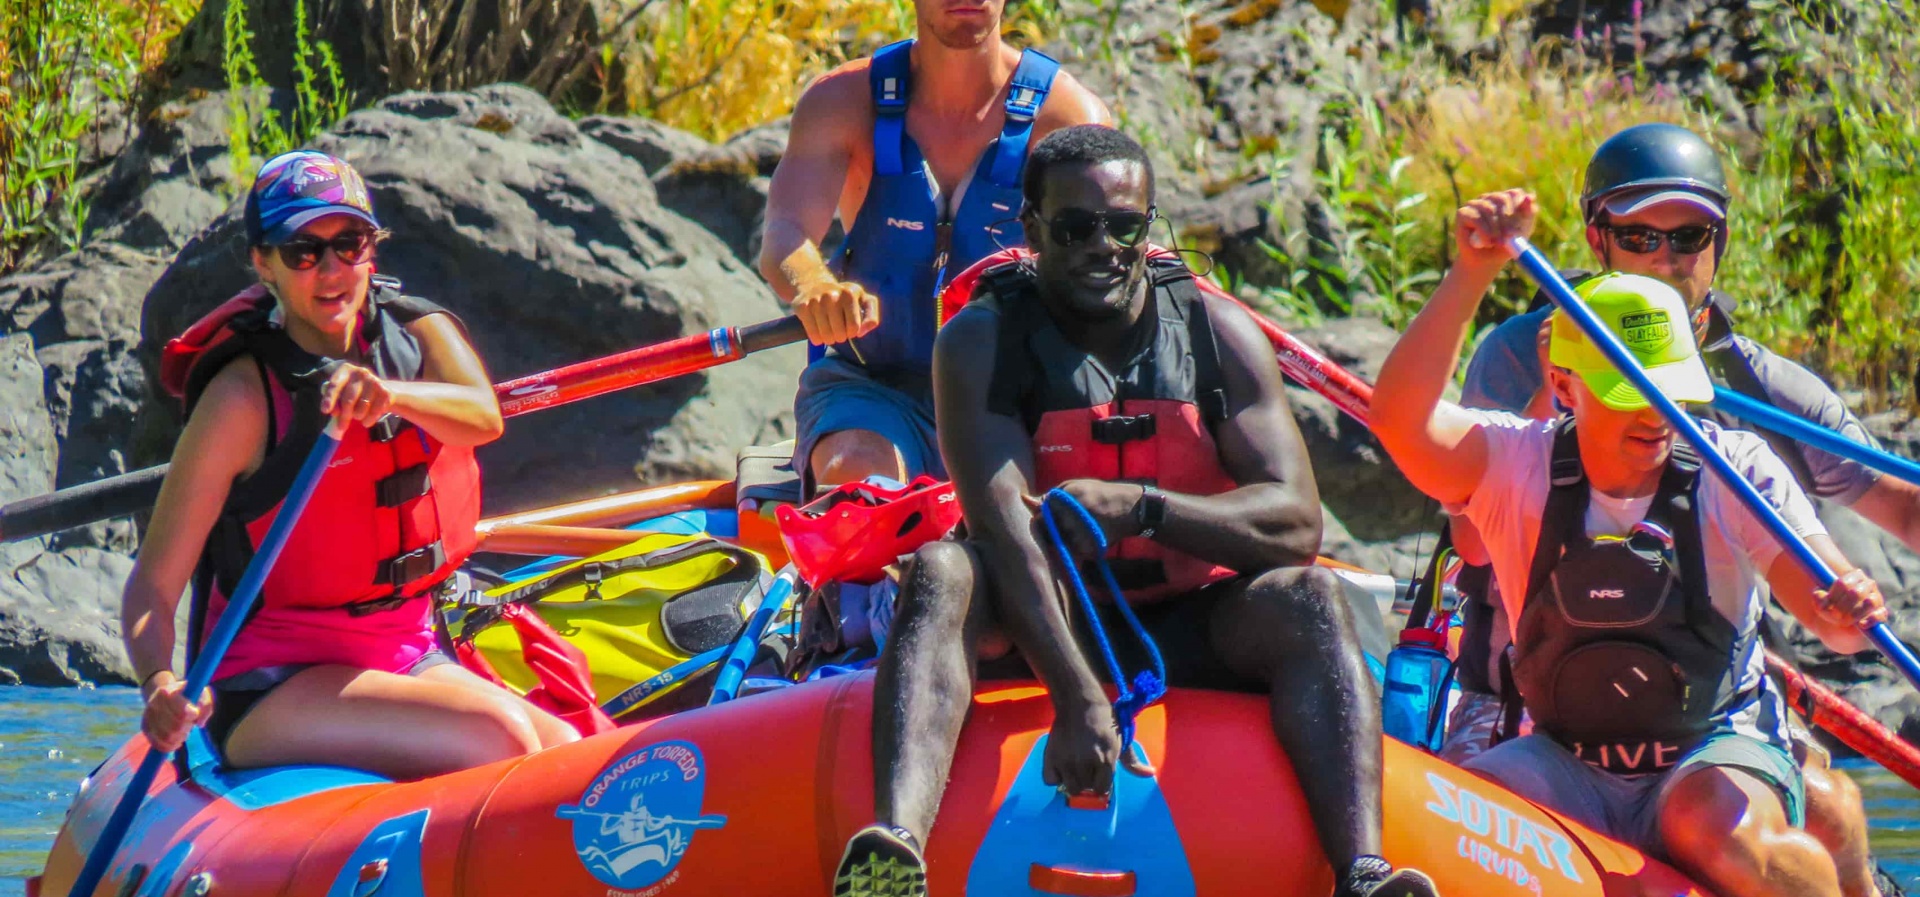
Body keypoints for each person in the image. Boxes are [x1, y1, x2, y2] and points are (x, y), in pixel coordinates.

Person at [829, 125, 1438, 897]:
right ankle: (895, 849)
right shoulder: (981, 339)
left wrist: (1143, 509)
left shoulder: (1219, 333)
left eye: (1125, 226)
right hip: (1035, 614)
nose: (1104, 246)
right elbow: (1004, 531)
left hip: (1187, 619)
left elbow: (1295, 525)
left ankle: (1362, 871)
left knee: (1312, 596)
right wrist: (1078, 696)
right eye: (1078, 226)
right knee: (943, 569)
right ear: (1032, 229)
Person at [1371, 187, 1890, 897]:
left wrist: (1844, 603)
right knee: (1466, 815)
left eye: (1669, 391)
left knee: (1711, 823)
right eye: (1627, 393)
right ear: (1563, 385)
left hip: (1710, 747)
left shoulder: (1731, 466)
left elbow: (1831, 615)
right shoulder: (1510, 461)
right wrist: (1472, 271)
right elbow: (1400, 420)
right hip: (1564, 757)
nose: (1655, 416)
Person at [122, 150, 579, 780]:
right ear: (264, 264)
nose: (331, 267)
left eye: (349, 243)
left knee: (566, 751)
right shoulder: (243, 398)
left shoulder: (419, 333)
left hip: (406, 648)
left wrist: (394, 395)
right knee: (502, 738)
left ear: (372, 249)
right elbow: (152, 586)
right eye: (303, 251)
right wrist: (159, 683)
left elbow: (483, 415)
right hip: (273, 681)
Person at [760, 0, 1110, 494]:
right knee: (860, 475)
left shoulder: (1069, 118)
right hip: (872, 385)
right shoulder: (841, 101)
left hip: (1017, 397)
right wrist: (815, 286)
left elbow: (1109, 267)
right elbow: (785, 233)